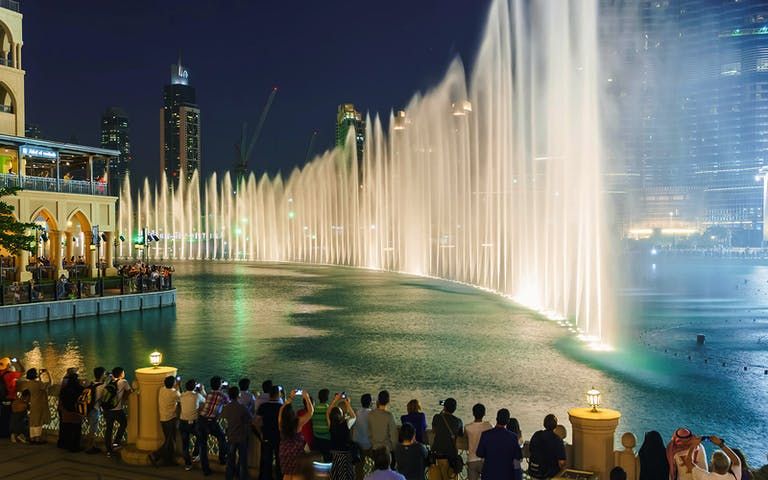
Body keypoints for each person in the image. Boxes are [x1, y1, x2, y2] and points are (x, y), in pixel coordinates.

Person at [476, 408, 523, 480]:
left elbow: (479, 453)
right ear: (507, 421)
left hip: (488, 474)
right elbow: (518, 457)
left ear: (496, 419)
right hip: (506, 475)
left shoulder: (485, 434)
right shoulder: (513, 437)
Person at [279, 389, 315, 480]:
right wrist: (306, 397)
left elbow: (281, 410)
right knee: (296, 475)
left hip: (284, 451)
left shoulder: (281, 422)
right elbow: (310, 412)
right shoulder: (297, 422)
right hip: (296, 452)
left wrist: (290, 398)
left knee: (286, 475)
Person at [198, 376, 230, 476]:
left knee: (203, 446)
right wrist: (227, 390)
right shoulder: (223, 395)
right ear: (220, 385)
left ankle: (206, 470)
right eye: (221, 383)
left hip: (201, 420)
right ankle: (222, 459)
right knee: (222, 438)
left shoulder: (209, 394)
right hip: (212, 421)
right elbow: (229, 403)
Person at [222, 385, 254, 480]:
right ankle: (242, 477)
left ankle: (229, 476)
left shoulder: (226, 407)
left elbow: (223, 418)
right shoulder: (242, 407)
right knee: (242, 459)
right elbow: (250, 418)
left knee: (230, 459)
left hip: (231, 436)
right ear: (238, 395)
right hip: (241, 436)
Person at [429, 398, 464, 480]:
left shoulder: (437, 417)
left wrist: (443, 411)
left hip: (436, 457)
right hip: (450, 458)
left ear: (444, 407)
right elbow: (460, 434)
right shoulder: (458, 421)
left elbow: (434, 430)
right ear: (455, 409)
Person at [149, 375, 180, 467]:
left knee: (169, 440)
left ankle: (168, 460)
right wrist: (179, 386)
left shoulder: (162, 390)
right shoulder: (174, 393)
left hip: (163, 418)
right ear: (173, 383)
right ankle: (155, 455)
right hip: (170, 419)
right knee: (170, 440)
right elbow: (181, 398)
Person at [103, 366, 132, 457]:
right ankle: (116, 442)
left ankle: (108, 449)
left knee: (109, 428)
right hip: (117, 409)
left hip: (107, 409)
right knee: (124, 423)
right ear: (121, 374)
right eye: (123, 372)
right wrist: (124, 398)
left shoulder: (109, 381)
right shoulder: (123, 382)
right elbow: (130, 391)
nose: (124, 373)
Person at [16, 367, 51, 445]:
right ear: (35, 375)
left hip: (32, 403)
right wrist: (48, 373)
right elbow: (49, 383)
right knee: (38, 421)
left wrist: (39, 376)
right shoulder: (38, 384)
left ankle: (32, 438)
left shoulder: (27, 384)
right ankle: (37, 439)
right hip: (39, 404)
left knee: (33, 421)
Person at [328, 393, 357, 480]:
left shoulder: (331, 424)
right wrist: (347, 402)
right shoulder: (346, 424)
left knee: (336, 475)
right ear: (341, 415)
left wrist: (335, 400)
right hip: (345, 455)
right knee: (345, 475)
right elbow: (354, 416)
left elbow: (328, 412)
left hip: (334, 454)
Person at [258, 385, 284, 480]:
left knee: (266, 460)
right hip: (278, 437)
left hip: (266, 436)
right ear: (278, 394)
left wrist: (260, 432)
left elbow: (257, 421)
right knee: (279, 460)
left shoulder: (263, 406)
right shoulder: (281, 407)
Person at [528, 414, 566, 479]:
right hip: (549, 474)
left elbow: (531, 450)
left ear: (544, 424)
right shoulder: (557, 440)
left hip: (534, 471)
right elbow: (561, 462)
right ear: (555, 426)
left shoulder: (536, 435)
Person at [180, 379, 206, 471]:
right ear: (195, 387)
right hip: (193, 423)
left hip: (182, 422)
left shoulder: (182, 395)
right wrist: (202, 390)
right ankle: (195, 454)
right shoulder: (197, 396)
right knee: (201, 436)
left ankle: (187, 464)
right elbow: (206, 401)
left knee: (185, 444)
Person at [369, 390, 398, 467]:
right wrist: (395, 449)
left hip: (375, 449)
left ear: (378, 400)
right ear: (388, 401)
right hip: (387, 450)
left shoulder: (371, 414)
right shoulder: (389, 416)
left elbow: (369, 432)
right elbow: (393, 437)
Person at [58, 369, 84, 452]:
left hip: (66, 411)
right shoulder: (79, 388)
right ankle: (75, 447)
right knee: (76, 430)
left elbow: (61, 397)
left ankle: (66, 445)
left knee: (67, 429)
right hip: (76, 412)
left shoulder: (64, 389)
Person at [465, 403, 493, 480]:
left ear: (473, 413)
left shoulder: (467, 427)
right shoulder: (488, 426)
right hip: (485, 461)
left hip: (471, 460)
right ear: (484, 413)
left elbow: (464, 437)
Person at [0, 356, 24, 438]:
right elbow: (23, 371)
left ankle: (2, 433)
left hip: (2, 398)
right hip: (11, 398)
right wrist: (19, 362)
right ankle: (9, 433)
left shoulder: (1, 373)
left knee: (2, 416)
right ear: (8, 366)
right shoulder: (11, 375)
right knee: (11, 417)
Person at [84, 367, 107, 453]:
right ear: (102, 375)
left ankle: (90, 446)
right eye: (104, 374)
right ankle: (90, 447)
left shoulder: (92, 383)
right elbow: (105, 397)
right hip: (95, 409)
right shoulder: (102, 386)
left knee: (91, 428)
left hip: (88, 409)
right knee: (93, 430)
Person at [312, 388, 332, 461]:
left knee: (317, 460)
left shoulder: (314, 409)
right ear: (327, 398)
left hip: (316, 438)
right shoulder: (329, 409)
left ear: (318, 397)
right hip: (326, 438)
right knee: (327, 459)